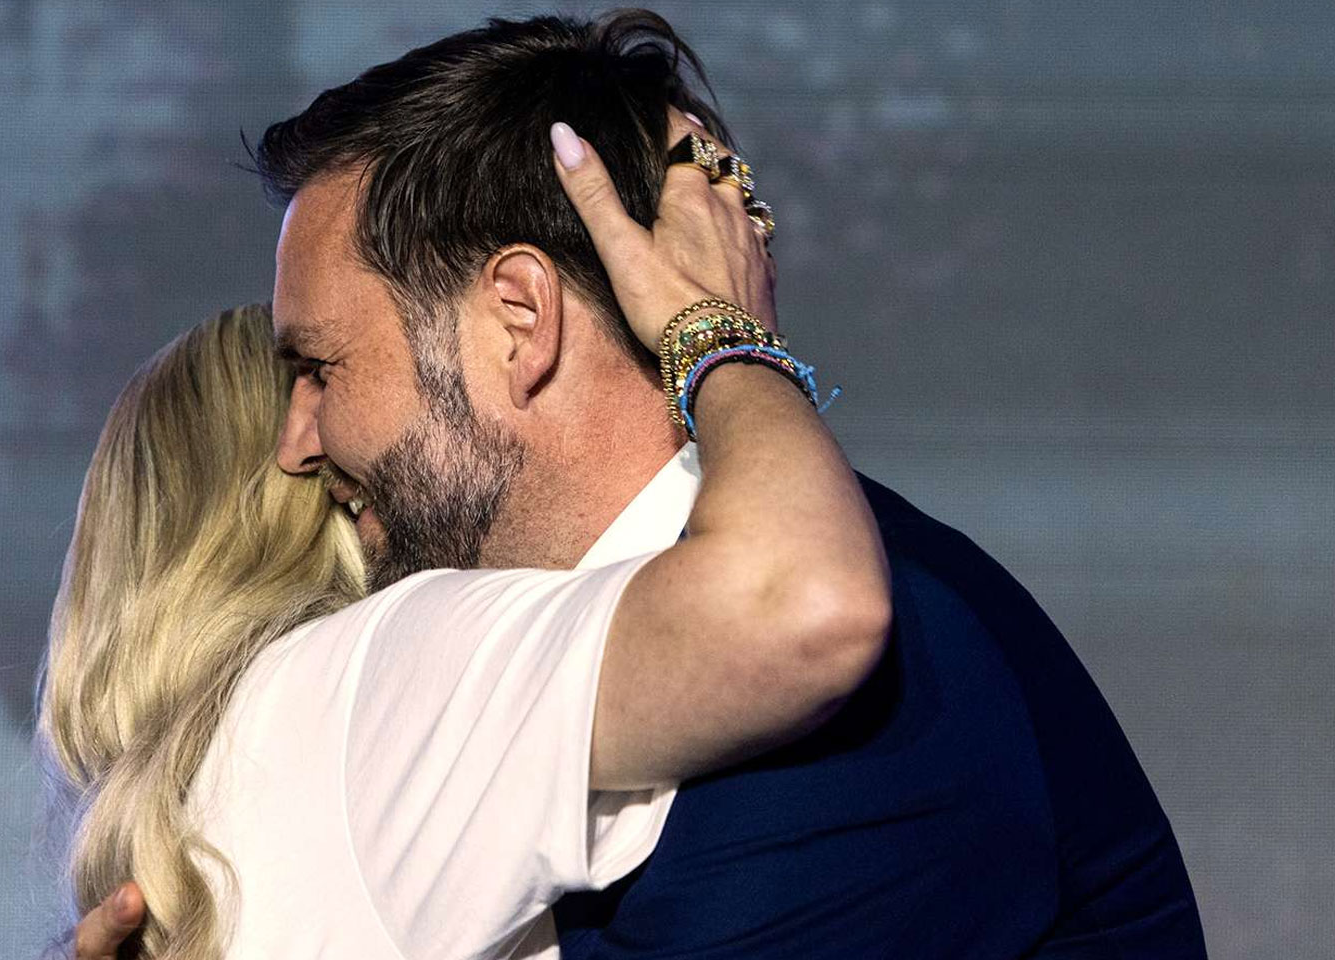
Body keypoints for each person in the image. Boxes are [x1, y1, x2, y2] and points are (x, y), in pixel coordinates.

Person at [70, 10, 1208, 959]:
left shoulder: (889, 678)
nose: (296, 442)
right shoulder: (570, 667)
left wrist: (718, 338)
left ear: (519, 320)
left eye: (321, 367)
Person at [38, 114, 892, 958]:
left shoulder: (216, 790)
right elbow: (799, 602)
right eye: (303, 377)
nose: (304, 442)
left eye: (321, 373)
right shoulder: (362, 675)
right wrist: (717, 329)